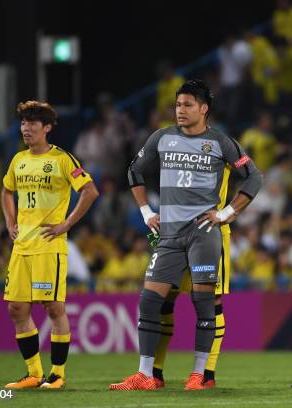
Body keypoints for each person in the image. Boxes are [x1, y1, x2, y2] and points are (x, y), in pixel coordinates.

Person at [109, 79, 262, 391]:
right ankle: (146, 375)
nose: (180, 110)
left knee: (204, 303)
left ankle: (199, 375)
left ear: (203, 109)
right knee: (150, 302)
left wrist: (226, 214)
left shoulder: (220, 142)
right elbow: (134, 171)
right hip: (169, 235)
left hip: (204, 233)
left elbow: (253, 177)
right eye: (178, 105)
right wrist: (145, 212)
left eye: (187, 104)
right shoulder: (162, 138)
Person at [1, 101, 99, 389]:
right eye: (23, 123)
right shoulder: (18, 160)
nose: (26, 129)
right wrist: (9, 222)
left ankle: (57, 374)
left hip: (48, 245)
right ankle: (33, 373)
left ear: (47, 128)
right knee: (16, 309)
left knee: (53, 307)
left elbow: (90, 191)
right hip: (22, 245)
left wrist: (66, 225)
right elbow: (7, 190)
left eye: (32, 124)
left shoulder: (63, 160)